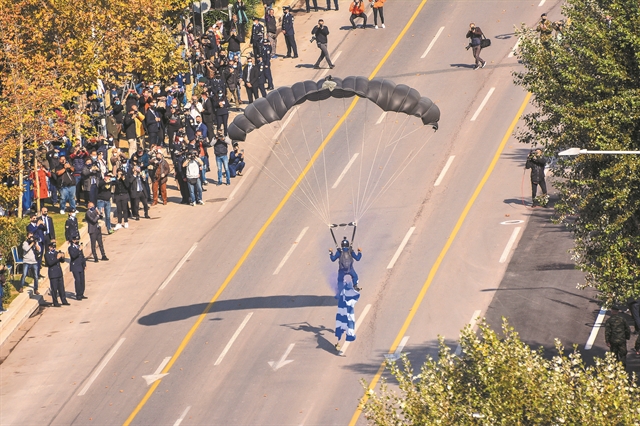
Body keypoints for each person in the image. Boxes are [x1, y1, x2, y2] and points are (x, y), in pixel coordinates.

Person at [334, 281, 360, 350]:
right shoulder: (351, 297)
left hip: (342, 314)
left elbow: (337, 296)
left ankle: (338, 342)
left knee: (340, 327)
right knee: (347, 325)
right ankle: (339, 342)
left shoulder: (343, 294)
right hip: (347, 315)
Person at [44, 242, 69, 307]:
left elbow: (62, 261)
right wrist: (57, 258)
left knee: (61, 288)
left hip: (59, 273)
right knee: (54, 289)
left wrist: (63, 257)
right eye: (52, 247)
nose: (54, 248)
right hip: (53, 274)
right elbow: (50, 263)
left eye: (54, 247)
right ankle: (55, 302)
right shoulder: (47, 254)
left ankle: (64, 300)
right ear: (49, 247)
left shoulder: (56, 253)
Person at [68, 235, 87, 300]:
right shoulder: (71, 248)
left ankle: (81, 293)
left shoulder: (79, 247)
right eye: (76, 240)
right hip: (75, 266)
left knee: (82, 280)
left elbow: (82, 256)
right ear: (73, 240)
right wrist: (78, 250)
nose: (77, 241)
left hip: (81, 266)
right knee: (78, 280)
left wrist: (84, 264)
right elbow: (73, 256)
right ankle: (78, 294)